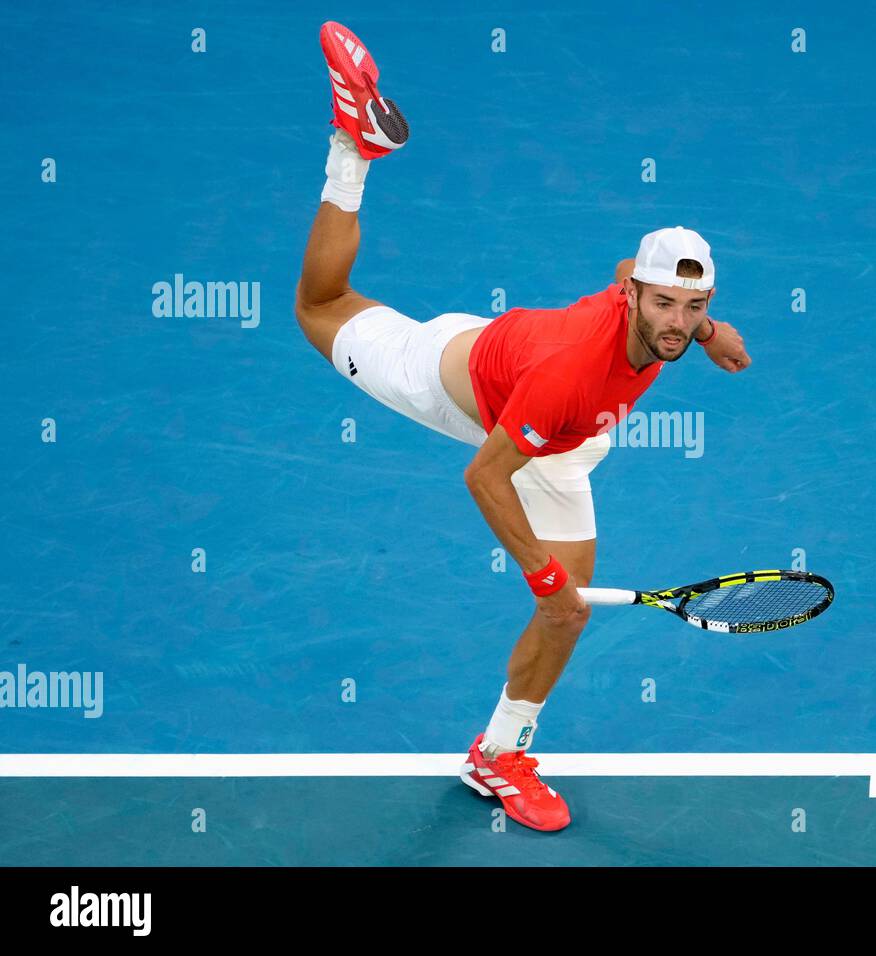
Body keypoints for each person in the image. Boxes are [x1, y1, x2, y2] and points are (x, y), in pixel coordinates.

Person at [296, 22, 752, 831]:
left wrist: (711, 337)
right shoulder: (571, 378)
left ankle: (497, 751)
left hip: (542, 402)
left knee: (564, 611)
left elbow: (631, 278)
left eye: (695, 307)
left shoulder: (646, 297)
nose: (678, 322)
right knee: (320, 306)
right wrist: (542, 573)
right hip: (464, 386)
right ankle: (351, 147)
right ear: (637, 298)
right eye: (667, 306)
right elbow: (484, 475)